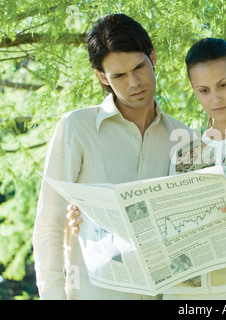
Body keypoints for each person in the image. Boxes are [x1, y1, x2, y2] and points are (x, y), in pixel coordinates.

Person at [68, 38, 226, 300]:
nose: (215, 98)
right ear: (194, 90)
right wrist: (91, 218)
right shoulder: (185, 150)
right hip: (179, 295)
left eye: (223, 85)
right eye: (203, 90)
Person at [33, 13, 192, 300]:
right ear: (102, 77)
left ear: (153, 57)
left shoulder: (185, 138)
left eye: (139, 67)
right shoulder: (76, 128)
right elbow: (49, 222)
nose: (134, 83)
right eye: (119, 75)